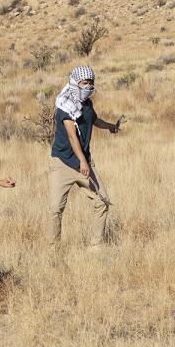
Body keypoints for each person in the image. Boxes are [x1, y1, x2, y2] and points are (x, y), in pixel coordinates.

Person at [48, 65, 120, 247]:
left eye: (90, 83)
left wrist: (110, 126)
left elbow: (94, 120)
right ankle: (53, 250)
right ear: (74, 82)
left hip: (84, 163)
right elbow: (72, 136)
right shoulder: (65, 107)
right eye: (84, 83)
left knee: (102, 201)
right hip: (63, 163)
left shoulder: (87, 104)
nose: (87, 87)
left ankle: (96, 247)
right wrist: (82, 161)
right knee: (56, 209)